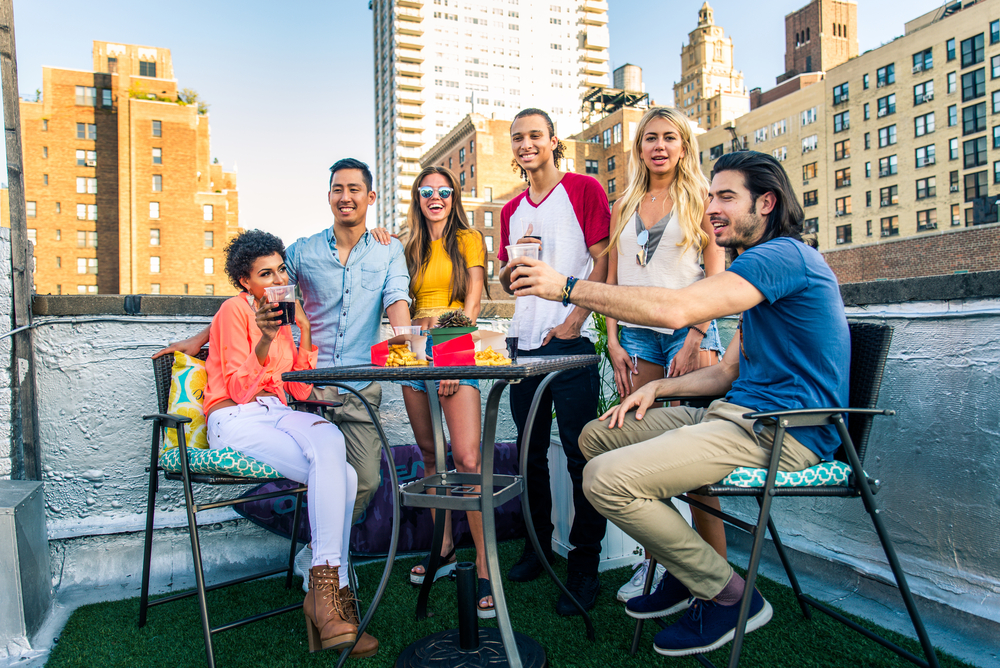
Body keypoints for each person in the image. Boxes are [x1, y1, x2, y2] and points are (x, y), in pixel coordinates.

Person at [509, 150, 850, 657]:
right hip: (734, 415)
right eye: (711, 195)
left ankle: (730, 595)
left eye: (726, 197)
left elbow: (675, 310)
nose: (712, 206)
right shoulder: (760, 267)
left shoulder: (782, 257)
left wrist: (568, 288)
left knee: (604, 479)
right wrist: (659, 388)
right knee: (595, 437)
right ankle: (681, 569)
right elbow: (731, 370)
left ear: (767, 203)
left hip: (781, 432)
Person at [154, 159, 411, 584]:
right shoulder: (301, 252)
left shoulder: (388, 249)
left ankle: (318, 556)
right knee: (330, 469)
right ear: (328, 195)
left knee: (362, 481)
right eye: (337, 188)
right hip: (300, 391)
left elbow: (397, 297)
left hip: (355, 387)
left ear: (370, 197)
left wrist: (405, 341)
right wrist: (203, 339)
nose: (345, 196)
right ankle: (332, 579)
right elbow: (254, 295)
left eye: (354, 189)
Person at [203, 229, 377, 657]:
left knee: (336, 449)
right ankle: (331, 596)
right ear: (246, 281)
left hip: (278, 414)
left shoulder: (282, 317)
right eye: (266, 273)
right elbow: (241, 390)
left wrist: (303, 327)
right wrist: (263, 337)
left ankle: (322, 588)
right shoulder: (233, 311)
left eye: (282, 268)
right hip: (234, 418)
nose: (279, 277)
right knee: (344, 476)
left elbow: (299, 390)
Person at [602, 107, 728, 604]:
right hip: (635, 336)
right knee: (642, 459)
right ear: (639, 147)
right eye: (650, 138)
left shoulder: (700, 198)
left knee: (695, 465)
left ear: (683, 147)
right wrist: (611, 339)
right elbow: (610, 283)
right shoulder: (625, 201)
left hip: (688, 335)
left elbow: (717, 280)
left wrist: (696, 336)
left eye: (669, 138)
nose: (659, 146)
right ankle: (661, 568)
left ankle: (713, 579)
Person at [497, 108, 610, 616]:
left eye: (534, 136)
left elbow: (602, 261)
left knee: (581, 455)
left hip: (572, 344)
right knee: (529, 455)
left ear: (553, 141)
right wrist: (507, 279)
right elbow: (511, 276)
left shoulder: (584, 189)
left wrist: (575, 319)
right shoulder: (510, 210)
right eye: (517, 138)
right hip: (524, 345)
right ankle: (538, 550)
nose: (525, 144)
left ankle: (585, 565)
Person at [398, 166, 493, 617]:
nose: (435, 197)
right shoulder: (407, 245)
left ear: (454, 197)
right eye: (426, 191)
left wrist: (451, 351)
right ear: (417, 198)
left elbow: (472, 298)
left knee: (467, 459)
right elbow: (397, 297)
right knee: (430, 454)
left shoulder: (468, 238)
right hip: (414, 353)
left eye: (444, 191)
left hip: (454, 346)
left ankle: (485, 567)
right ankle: (445, 550)